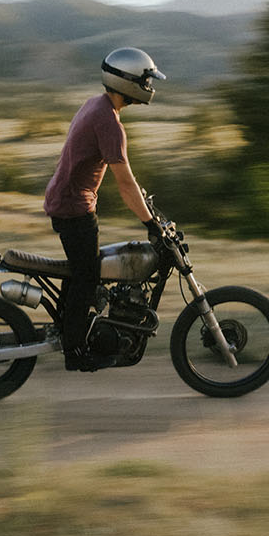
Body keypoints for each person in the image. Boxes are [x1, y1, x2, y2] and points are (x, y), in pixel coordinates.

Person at [42, 47, 165, 371]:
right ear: (128, 81)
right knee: (87, 276)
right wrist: (150, 223)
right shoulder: (109, 122)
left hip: (68, 201)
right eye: (146, 80)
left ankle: (71, 329)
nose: (149, 87)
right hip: (74, 207)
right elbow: (125, 182)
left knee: (83, 271)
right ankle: (75, 352)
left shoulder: (95, 105)